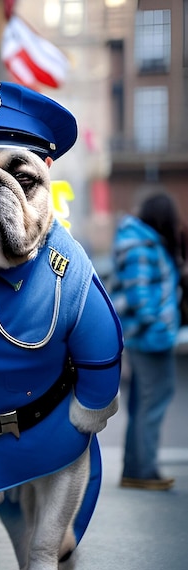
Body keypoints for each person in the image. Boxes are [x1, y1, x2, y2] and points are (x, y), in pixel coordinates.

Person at [111, 191, 182, 490]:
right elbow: (139, 294)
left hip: (142, 335)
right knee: (154, 401)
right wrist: (158, 325)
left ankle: (135, 469)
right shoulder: (142, 243)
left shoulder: (137, 238)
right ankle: (144, 471)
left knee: (142, 403)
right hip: (148, 338)